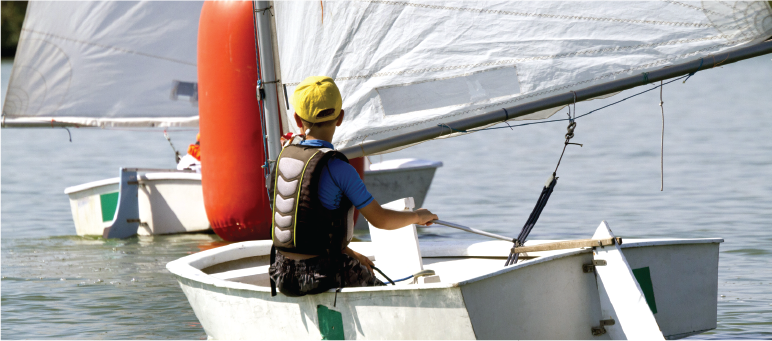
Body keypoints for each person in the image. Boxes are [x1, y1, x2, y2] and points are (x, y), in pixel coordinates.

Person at [268, 76, 438, 297]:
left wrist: (350, 253)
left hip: (282, 272)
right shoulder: (339, 168)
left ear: (297, 119)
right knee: (383, 293)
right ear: (340, 118)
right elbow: (381, 220)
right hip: (321, 273)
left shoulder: (283, 158)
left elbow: (302, 224)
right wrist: (417, 216)